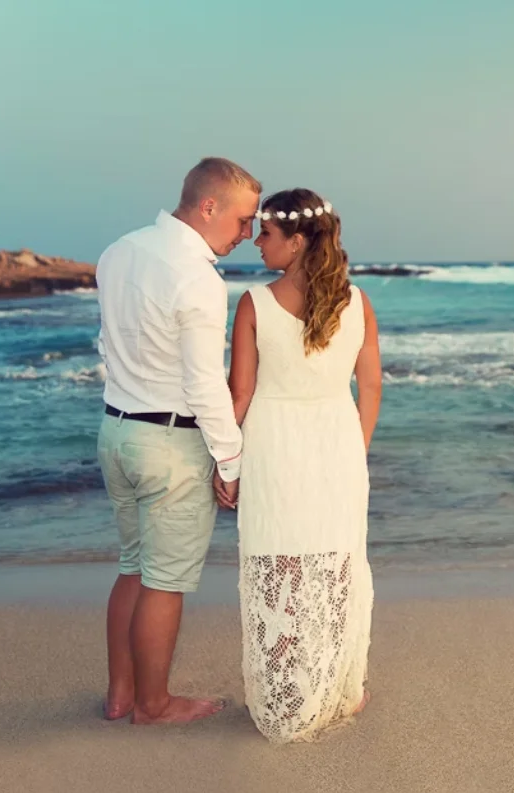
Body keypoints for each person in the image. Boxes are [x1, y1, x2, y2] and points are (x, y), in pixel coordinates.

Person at [96, 157, 260, 725]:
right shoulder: (198, 278)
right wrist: (230, 460)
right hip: (169, 444)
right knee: (164, 582)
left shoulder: (118, 251)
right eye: (243, 220)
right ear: (208, 206)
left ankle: (120, 696)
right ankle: (154, 705)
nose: (248, 234)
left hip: (117, 431)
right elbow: (204, 384)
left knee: (133, 567)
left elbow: (108, 344)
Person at [218, 187, 382, 743]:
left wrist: (225, 464)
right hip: (338, 445)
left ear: (296, 241)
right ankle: (338, 689)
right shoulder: (358, 302)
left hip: (275, 445)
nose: (256, 242)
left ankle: (287, 695)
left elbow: (239, 395)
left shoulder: (254, 303)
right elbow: (370, 387)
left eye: (266, 233)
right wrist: (355, 451)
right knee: (335, 561)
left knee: (281, 562)